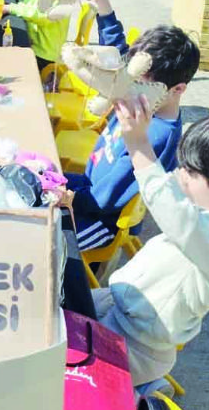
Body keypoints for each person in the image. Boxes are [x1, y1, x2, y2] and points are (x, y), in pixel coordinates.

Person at [93, 106, 209, 389]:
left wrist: (138, 143)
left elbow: (171, 209)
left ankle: (134, 397)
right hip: (119, 307)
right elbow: (180, 202)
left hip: (134, 344)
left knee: (60, 369)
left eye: (190, 172)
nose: (180, 175)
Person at [66, 15, 200, 253]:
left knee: (45, 243)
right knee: (34, 175)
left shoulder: (154, 136)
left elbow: (105, 199)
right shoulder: (140, 106)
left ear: (177, 89)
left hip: (99, 221)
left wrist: (69, 198)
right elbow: (118, 54)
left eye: (137, 84)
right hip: (87, 189)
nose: (126, 89)